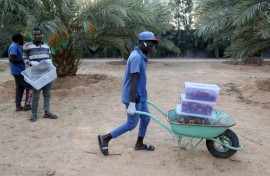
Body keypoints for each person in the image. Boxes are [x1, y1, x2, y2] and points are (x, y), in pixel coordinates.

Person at [98, 31, 160, 156]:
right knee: (131, 124)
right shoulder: (136, 57)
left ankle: (139, 144)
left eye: (154, 44)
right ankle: (105, 138)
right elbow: (133, 81)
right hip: (134, 97)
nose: (152, 47)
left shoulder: (141, 55)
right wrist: (132, 103)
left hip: (140, 96)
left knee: (146, 118)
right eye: (151, 44)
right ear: (143, 43)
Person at [23, 28, 58, 122]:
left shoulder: (47, 46)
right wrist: (31, 63)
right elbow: (24, 58)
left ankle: (47, 112)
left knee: (47, 95)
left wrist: (50, 61)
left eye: (38, 34)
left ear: (42, 35)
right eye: (35, 34)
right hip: (35, 74)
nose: (37, 36)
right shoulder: (27, 45)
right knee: (35, 95)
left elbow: (50, 57)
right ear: (32, 35)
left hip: (47, 74)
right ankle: (34, 114)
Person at [8, 33, 32, 111]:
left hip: (18, 71)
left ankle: (18, 106)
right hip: (18, 72)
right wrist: (23, 59)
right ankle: (27, 105)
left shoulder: (16, 46)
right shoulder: (14, 47)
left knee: (20, 88)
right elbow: (12, 59)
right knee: (29, 87)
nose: (23, 41)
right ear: (19, 40)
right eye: (22, 39)